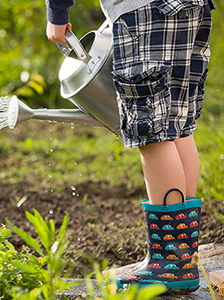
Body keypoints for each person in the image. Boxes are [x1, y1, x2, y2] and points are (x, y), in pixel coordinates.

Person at [45, 0, 214, 294]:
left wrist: (56, 13)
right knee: (178, 125)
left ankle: (169, 262)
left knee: (151, 132)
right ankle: (180, 257)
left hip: (142, 10)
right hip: (193, 7)